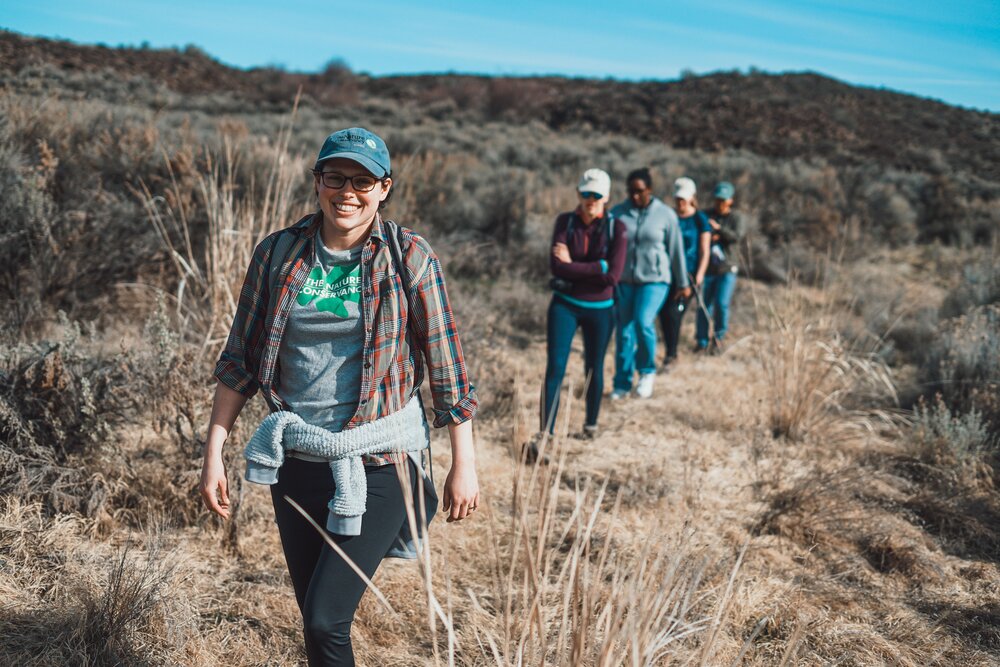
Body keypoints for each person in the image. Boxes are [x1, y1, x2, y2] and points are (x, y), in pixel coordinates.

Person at [199, 127, 479, 667]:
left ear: (383, 188)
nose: (347, 192)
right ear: (317, 181)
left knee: (326, 619)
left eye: (362, 181)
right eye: (336, 177)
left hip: (382, 459)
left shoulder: (409, 256)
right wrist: (214, 452)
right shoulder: (278, 254)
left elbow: (447, 368)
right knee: (313, 614)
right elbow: (239, 360)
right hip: (298, 456)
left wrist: (463, 464)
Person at [535, 168, 625, 450]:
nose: (591, 199)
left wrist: (573, 267)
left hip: (601, 308)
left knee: (594, 367)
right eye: (586, 193)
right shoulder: (565, 222)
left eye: (597, 195)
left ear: (606, 197)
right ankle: (545, 434)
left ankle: (590, 425)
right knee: (555, 367)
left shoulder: (617, 228)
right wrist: (598, 266)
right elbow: (556, 267)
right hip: (565, 306)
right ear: (578, 193)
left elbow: (613, 277)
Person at [610, 168, 689, 399]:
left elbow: (676, 251)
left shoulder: (665, 215)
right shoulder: (618, 214)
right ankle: (622, 383)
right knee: (624, 331)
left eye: (640, 191)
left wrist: (683, 282)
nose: (635, 196)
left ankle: (646, 371)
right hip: (625, 280)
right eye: (631, 191)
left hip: (655, 280)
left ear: (650, 190)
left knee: (643, 321)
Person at [659, 177, 711, 366]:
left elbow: (704, 250)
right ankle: (670, 350)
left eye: (683, 198)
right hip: (667, 274)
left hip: (689, 276)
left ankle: (671, 354)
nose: (680, 202)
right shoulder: (669, 216)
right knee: (664, 313)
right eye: (678, 198)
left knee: (674, 313)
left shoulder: (699, 219)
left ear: (691, 198)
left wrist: (699, 274)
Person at [696, 181, 747, 352]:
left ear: (730, 200)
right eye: (718, 199)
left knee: (721, 304)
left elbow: (737, 236)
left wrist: (719, 230)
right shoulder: (706, 215)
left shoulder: (737, 218)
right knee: (704, 305)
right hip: (709, 268)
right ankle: (701, 342)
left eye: (723, 200)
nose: (720, 203)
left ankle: (718, 340)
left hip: (727, 268)